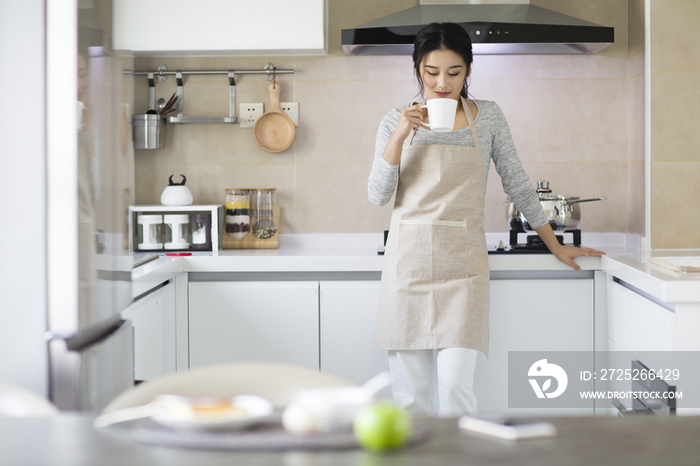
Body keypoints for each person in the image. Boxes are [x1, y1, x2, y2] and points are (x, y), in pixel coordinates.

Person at [367, 22, 605, 418]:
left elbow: (517, 184)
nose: (443, 84)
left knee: (455, 385)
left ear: (469, 71)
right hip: (407, 267)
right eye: (432, 72)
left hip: (464, 271)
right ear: (416, 70)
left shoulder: (489, 117)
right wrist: (400, 137)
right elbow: (377, 195)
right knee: (410, 396)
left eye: (454, 73)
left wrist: (555, 244)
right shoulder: (395, 121)